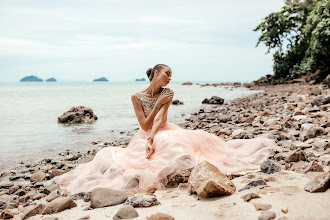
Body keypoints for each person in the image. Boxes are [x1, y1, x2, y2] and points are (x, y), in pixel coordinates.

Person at [57, 64, 278, 195]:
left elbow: (161, 119)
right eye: (166, 73)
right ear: (155, 73)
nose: (169, 78)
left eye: (171, 75)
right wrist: (150, 129)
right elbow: (144, 124)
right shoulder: (136, 96)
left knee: (187, 143)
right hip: (144, 133)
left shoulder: (168, 93)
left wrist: (153, 134)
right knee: (133, 160)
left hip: (164, 130)